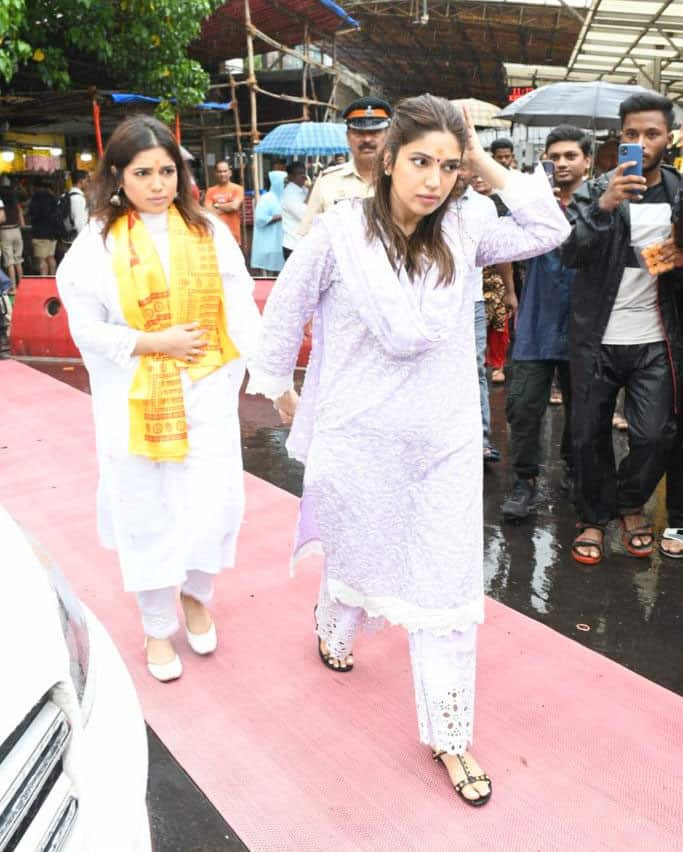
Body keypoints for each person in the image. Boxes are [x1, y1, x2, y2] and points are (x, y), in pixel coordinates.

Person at [247, 95, 569, 805]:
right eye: (420, 161)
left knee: (446, 590)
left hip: (445, 444)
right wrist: (282, 397)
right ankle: (334, 627)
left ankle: (449, 737)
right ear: (386, 159)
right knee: (357, 554)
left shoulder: (466, 226)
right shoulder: (336, 234)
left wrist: (480, 161)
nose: (433, 179)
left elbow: (549, 225)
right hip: (359, 441)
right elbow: (283, 318)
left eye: (448, 167)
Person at [56, 115, 261, 682]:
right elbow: (86, 330)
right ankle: (155, 626)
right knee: (146, 510)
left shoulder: (207, 231)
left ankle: (195, 596)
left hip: (207, 394)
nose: (157, 184)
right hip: (136, 402)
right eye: (143, 172)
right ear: (118, 176)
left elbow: (240, 302)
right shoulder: (97, 244)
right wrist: (153, 342)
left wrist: (265, 373)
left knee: (211, 504)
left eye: (167, 170)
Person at [562, 92, 683, 565]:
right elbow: (568, 253)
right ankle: (594, 518)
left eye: (651, 134)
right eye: (631, 134)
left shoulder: (678, 192)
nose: (641, 142)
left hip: (657, 340)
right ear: (620, 139)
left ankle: (628, 501)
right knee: (587, 435)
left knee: (656, 435)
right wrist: (605, 206)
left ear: (668, 139)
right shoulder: (594, 191)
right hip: (597, 339)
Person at [501, 125, 592, 520]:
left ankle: (574, 470)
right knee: (522, 405)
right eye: (554, 157)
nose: (562, 163)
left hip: (585, 323)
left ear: (587, 161)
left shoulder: (601, 203)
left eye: (571, 156)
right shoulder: (531, 201)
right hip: (536, 320)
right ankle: (525, 482)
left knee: (584, 408)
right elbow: (501, 241)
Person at [453, 164, 502, 464]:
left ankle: (481, 439)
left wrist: (508, 291)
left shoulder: (485, 207)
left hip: (472, 304)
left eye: (462, 166)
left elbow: (498, 253)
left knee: (475, 371)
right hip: (431, 304)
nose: (458, 173)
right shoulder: (428, 199)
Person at [298, 95, 393, 235]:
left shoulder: (401, 179)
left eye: (374, 132)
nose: (367, 139)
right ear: (348, 137)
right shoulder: (327, 182)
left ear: (387, 135)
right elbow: (308, 239)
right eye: (359, 133)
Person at [250, 170, 285, 274]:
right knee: (270, 276)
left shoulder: (285, 197)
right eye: (284, 181)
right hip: (268, 244)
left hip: (282, 243)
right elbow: (260, 219)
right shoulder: (266, 199)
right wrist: (280, 217)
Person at [203, 160, 244, 246]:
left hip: (233, 234)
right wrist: (227, 207)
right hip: (216, 234)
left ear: (230, 172)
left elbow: (234, 206)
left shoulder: (238, 189)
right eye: (219, 171)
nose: (222, 174)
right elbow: (208, 211)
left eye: (225, 171)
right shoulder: (210, 191)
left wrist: (216, 205)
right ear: (215, 173)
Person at [28, 179, 60, 274]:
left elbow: (33, 213)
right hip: (53, 233)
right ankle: (53, 280)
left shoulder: (36, 197)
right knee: (51, 257)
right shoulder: (53, 197)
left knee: (42, 260)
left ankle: (44, 281)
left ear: (36, 187)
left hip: (40, 233)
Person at [0, 180, 25, 292]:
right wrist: (22, 224)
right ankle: (23, 285)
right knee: (18, 260)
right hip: (16, 230)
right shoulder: (14, 200)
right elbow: (20, 212)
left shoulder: (1, 201)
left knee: (9, 261)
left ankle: (13, 288)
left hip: (5, 231)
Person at [281, 162, 308, 260]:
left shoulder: (304, 189)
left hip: (305, 243)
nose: (303, 176)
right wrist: (313, 191)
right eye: (299, 174)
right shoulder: (289, 193)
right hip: (294, 244)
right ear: (290, 176)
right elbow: (305, 215)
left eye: (304, 173)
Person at [61, 169, 90, 251]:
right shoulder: (79, 199)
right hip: (77, 240)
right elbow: (80, 223)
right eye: (87, 181)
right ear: (81, 181)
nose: (88, 184)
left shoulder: (64, 196)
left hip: (67, 237)